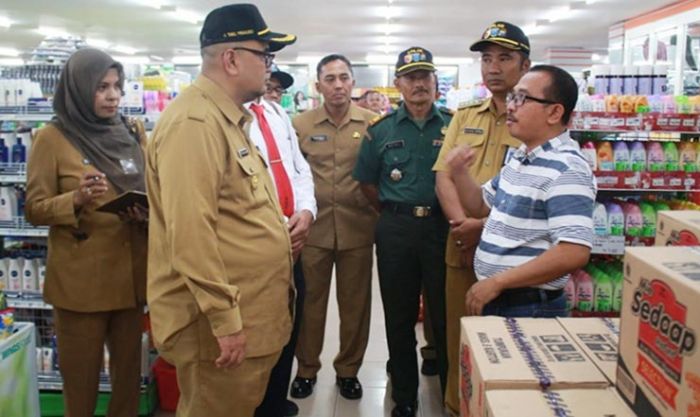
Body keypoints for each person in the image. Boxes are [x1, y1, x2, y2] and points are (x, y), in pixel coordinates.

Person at [145, 5, 296, 417]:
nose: (270, 65)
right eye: (264, 55)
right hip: (220, 329)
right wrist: (226, 322)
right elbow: (192, 235)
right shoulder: (194, 124)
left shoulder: (227, 119)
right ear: (231, 59)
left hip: (250, 317)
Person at [25, 48, 148, 417]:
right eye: (101, 87)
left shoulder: (130, 131)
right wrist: (75, 200)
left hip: (130, 280)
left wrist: (145, 211)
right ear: (79, 89)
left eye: (117, 87)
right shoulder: (52, 138)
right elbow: (34, 208)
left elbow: (151, 185)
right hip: (81, 286)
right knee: (81, 387)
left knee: (128, 382)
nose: (112, 96)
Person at [432, 21, 531, 417]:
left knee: (509, 344)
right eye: (486, 59)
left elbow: (532, 196)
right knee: (462, 338)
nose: (493, 67)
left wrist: (483, 227)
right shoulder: (465, 115)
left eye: (504, 58)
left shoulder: (538, 119)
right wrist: (462, 227)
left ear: (525, 65)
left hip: (515, 256)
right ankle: (458, 408)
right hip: (462, 248)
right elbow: (444, 175)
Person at [445, 64, 596, 318]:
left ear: (554, 112)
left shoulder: (567, 168)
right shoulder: (522, 157)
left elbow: (574, 252)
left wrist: (498, 282)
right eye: (512, 97)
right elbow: (481, 205)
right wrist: (460, 172)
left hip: (529, 306)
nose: (511, 106)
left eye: (522, 98)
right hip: (504, 300)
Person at [353, 46, 452, 417]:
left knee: (442, 314)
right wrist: (395, 209)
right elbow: (366, 183)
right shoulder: (380, 131)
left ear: (435, 82)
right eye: (411, 77)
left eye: (425, 76)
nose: (419, 84)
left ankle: (449, 393)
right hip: (395, 228)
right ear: (398, 84)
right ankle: (405, 397)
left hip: (442, 227)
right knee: (399, 313)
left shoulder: (453, 124)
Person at [291, 54, 377, 401]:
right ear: (318, 85)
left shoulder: (374, 124)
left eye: (344, 77)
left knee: (355, 304)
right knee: (309, 304)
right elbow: (293, 177)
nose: (338, 85)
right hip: (314, 230)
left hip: (358, 228)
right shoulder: (301, 125)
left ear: (353, 83)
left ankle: (348, 371)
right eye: (330, 79)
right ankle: (307, 369)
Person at [248, 67, 317, 417]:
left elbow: (298, 169)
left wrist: (306, 212)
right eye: (262, 57)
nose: (265, 68)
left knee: (289, 321)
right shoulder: (228, 119)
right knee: (259, 329)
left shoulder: (275, 114)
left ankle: (275, 399)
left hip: (294, 241)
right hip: (260, 246)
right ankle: (256, 404)